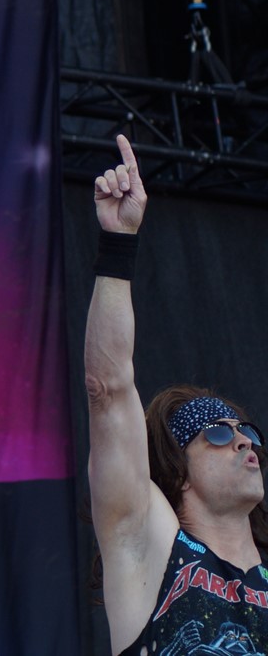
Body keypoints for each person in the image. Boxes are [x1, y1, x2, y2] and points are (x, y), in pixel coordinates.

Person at [85, 134, 268, 655]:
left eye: (246, 431)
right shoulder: (150, 548)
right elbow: (107, 389)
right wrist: (119, 241)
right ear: (178, 471)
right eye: (216, 434)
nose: (243, 441)